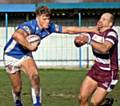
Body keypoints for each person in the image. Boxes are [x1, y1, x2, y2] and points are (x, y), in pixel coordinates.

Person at [3, 6, 98, 106]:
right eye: (44, 19)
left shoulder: (50, 27)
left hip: (25, 56)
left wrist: (91, 30)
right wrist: (30, 46)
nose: (47, 21)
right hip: (11, 56)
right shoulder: (29, 26)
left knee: (35, 77)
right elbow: (16, 36)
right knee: (17, 88)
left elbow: (68, 30)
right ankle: (18, 102)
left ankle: (37, 104)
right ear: (37, 18)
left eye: (48, 18)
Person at [75, 13, 119, 106]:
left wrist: (89, 41)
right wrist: (78, 41)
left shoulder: (112, 33)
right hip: (96, 69)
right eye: (100, 18)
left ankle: (105, 103)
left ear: (110, 24)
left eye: (104, 19)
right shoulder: (94, 31)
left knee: (95, 102)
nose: (100, 20)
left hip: (109, 73)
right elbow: (80, 41)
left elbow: (104, 48)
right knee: (82, 98)